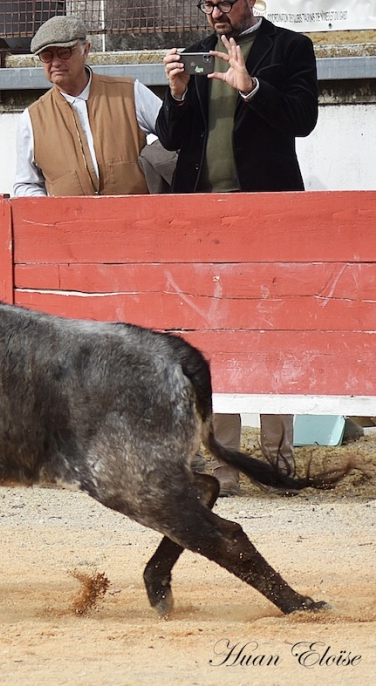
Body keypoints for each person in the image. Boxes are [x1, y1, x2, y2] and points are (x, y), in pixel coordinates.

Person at [156, 0, 318, 494]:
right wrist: (177, 94)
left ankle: (278, 464)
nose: (213, 12)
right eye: (205, 4)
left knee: (273, 329)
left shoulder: (290, 47)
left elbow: (303, 118)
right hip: (204, 215)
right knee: (212, 336)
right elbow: (171, 139)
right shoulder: (198, 52)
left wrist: (251, 88)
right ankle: (223, 465)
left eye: (222, 2)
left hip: (268, 212)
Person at [13, 15, 164, 198]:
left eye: (64, 52)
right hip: (69, 217)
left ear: (86, 50)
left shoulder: (130, 93)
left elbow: (175, 134)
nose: (56, 63)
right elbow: (25, 184)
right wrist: (51, 209)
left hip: (136, 215)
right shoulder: (32, 118)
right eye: (47, 56)